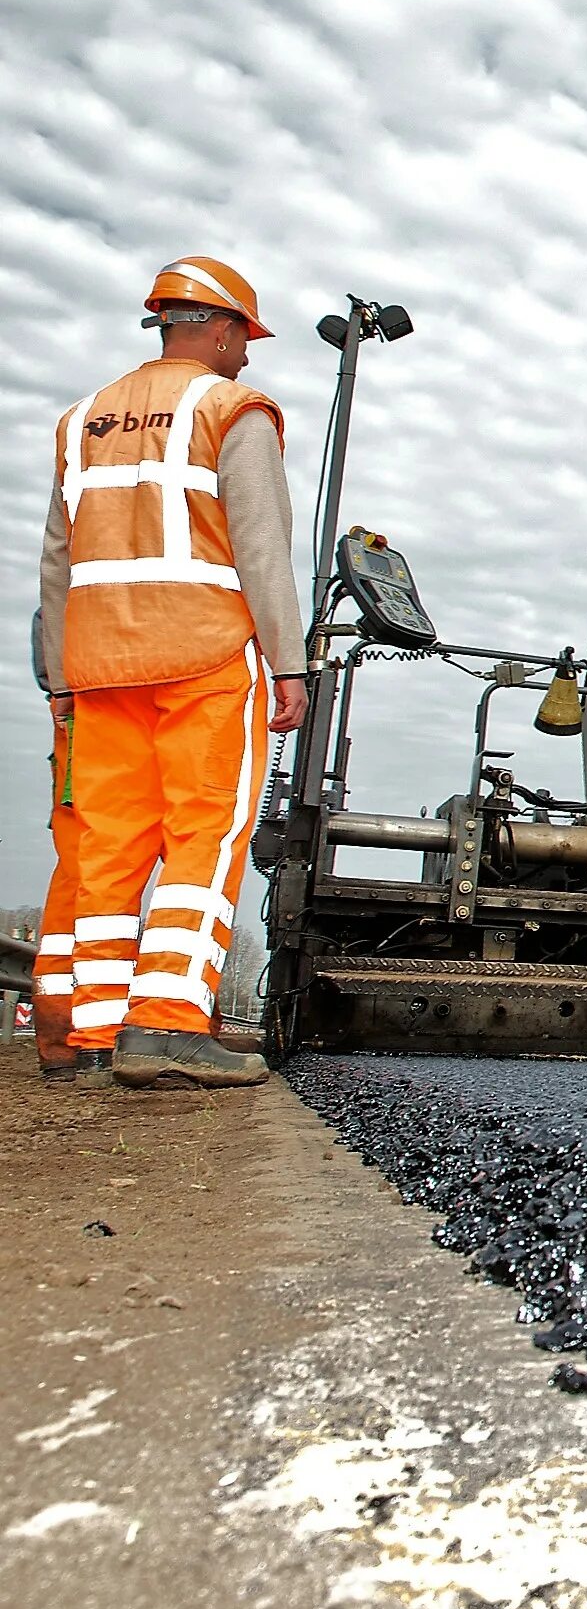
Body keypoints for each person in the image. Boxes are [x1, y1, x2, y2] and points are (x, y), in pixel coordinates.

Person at [39, 257, 308, 1088]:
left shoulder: (81, 419)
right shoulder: (233, 411)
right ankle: (166, 1028)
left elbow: (57, 559)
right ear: (222, 329)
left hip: (96, 668)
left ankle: (90, 1040)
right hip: (203, 660)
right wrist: (289, 663)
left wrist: (59, 681)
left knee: (109, 847)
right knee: (206, 835)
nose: (248, 356)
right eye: (246, 339)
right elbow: (262, 549)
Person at [27, 610, 84, 1081]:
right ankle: (173, 1026)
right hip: (157, 713)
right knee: (192, 868)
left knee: (79, 872)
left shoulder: (82, 547)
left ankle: (63, 1041)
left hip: (81, 716)